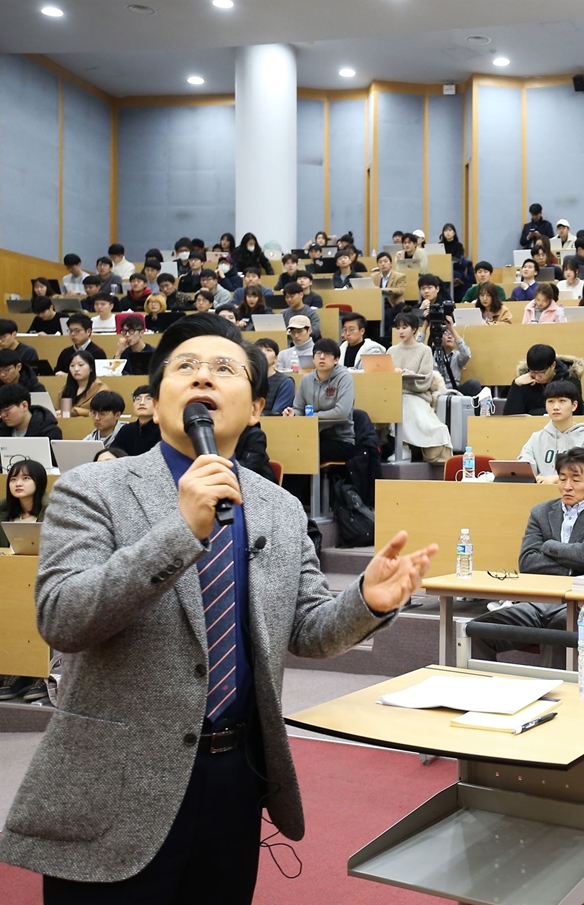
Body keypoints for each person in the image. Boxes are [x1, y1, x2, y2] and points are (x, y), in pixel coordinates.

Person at [0, 312, 437, 902]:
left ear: (256, 407)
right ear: (153, 403)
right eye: (186, 367)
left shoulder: (280, 509)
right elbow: (63, 618)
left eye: (224, 368)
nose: (204, 376)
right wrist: (179, 531)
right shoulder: (92, 490)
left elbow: (307, 631)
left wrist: (366, 601)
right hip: (117, 775)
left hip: (237, 774)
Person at [470, 448, 584, 668]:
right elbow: (527, 562)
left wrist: (547, 547)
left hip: (582, 607)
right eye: (562, 479)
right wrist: (576, 568)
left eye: (576, 480)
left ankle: (554, 696)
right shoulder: (540, 513)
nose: (567, 486)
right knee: (479, 630)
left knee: (560, 629)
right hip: (537, 604)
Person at [0, 459, 51, 703]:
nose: (18, 483)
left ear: (39, 481)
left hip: (44, 581)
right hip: (9, 580)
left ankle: (37, 674)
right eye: (13, 479)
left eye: (25, 478)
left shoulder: (52, 511)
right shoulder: (3, 512)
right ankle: (13, 670)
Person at [387, 310, 452, 463]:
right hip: (394, 394)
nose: (401, 331)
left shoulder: (424, 350)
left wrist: (408, 375)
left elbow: (425, 380)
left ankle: (406, 448)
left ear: (415, 329)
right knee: (392, 402)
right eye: (398, 328)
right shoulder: (392, 350)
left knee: (405, 404)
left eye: (405, 327)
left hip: (416, 395)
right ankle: (402, 447)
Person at [284, 338, 356, 463]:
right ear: (313, 359)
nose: (322, 357)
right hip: (310, 436)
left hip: (340, 439)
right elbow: (298, 408)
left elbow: (341, 412)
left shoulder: (344, 378)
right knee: (288, 450)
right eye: (318, 354)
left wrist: (311, 417)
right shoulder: (306, 379)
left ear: (336, 360)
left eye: (327, 354)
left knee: (305, 452)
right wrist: (293, 414)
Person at [518, 381, 584, 482]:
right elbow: (525, 463)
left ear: (574, 406)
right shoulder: (536, 438)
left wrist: (555, 479)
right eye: (550, 401)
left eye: (562, 401)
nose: (555, 407)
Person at [505, 343, 584, 416]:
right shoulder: (525, 380)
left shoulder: (570, 379)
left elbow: (576, 412)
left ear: (553, 365)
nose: (536, 377)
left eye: (541, 373)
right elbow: (511, 416)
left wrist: (534, 412)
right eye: (532, 372)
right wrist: (516, 386)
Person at [436, 316, 482, 397]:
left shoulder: (457, 356)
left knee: (474, 384)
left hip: (454, 391)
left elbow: (467, 354)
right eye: (446, 334)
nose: (449, 336)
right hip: (436, 390)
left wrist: (452, 329)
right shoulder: (431, 353)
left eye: (452, 335)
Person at [57, 350, 110, 417]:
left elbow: (103, 414)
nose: (76, 369)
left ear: (91, 368)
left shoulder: (102, 390)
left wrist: (76, 412)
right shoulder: (64, 390)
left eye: (81, 365)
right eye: (72, 365)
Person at [114, 385, 161, 456]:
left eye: (148, 398)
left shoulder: (164, 430)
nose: (141, 403)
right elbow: (114, 452)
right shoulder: (127, 430)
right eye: (138, 399)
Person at [253, 338, 295, 414]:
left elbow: (276, 413)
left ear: (276, 358)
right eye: (259, 350)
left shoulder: (285, 382)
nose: (263, 353)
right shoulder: (249, 380)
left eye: (268, 350)